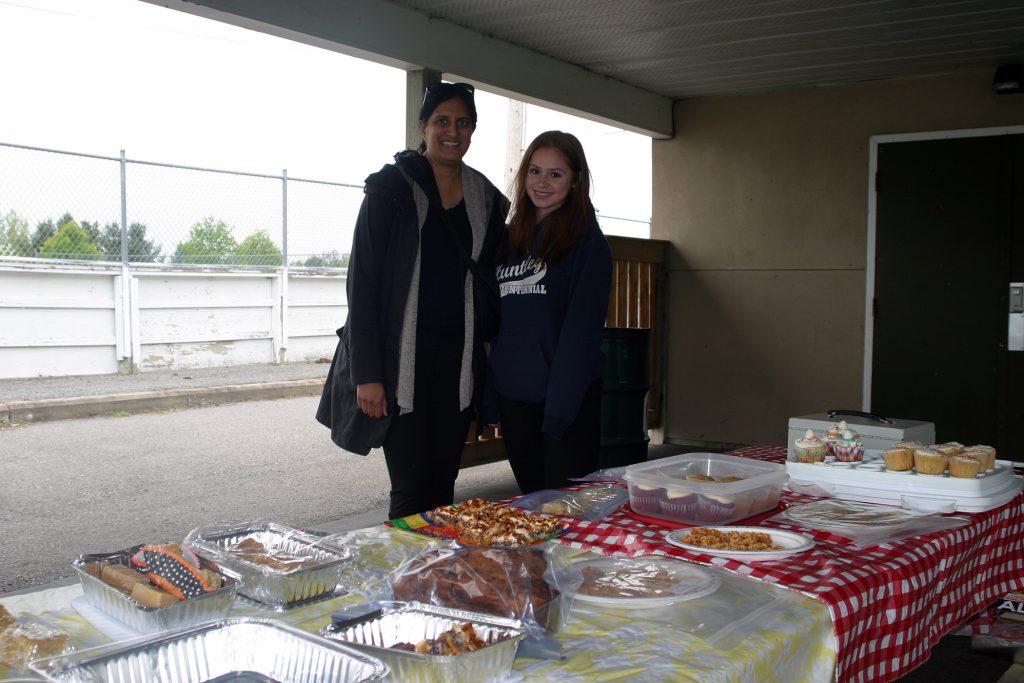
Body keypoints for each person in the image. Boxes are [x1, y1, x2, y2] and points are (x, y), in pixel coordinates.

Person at [316, 81, 506, 519]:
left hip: (456, 370)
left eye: (462, 122)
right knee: (409, 490)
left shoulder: (487, 198)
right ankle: (404, 580)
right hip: (401, 369)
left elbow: (491, 285)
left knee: (443, 486)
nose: (452, 131)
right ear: (423, 127)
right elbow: (361, 286)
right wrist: (367, 375)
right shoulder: (390, 189)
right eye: (442, 121)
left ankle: (434, 579)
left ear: (473, 130)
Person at [487, 130, 613, 494]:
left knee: (567, 518)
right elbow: (498, 326)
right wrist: (494, 399)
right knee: (532, 512)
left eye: (555, 174)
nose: (542, 183)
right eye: (535, 171)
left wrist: (558, 413)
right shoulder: (511, 240)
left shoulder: (587, 243)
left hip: (564, 409)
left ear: (575, 181)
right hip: (516, 404)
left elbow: (582, 335)